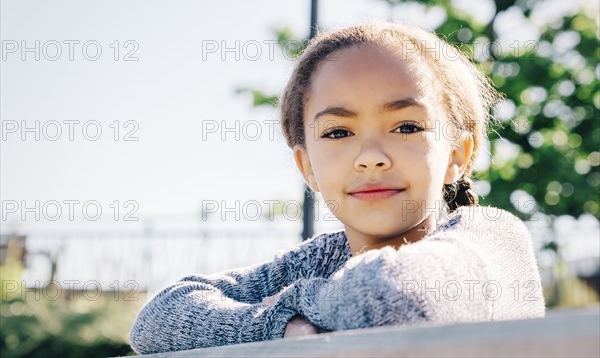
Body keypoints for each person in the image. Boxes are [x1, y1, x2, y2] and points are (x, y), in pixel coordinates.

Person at [129, 22, 545, 354]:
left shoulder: (492, 241)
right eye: (338, 132)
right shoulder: (318, 260)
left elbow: (388, 297)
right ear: (307, 166)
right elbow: (158, 318)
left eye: (406, 126)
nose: (370, 156)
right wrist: (277, 324)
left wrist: (291, 304)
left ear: (457, 154)